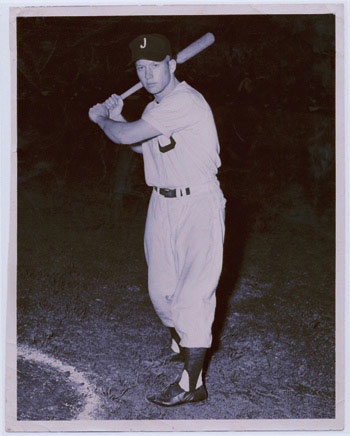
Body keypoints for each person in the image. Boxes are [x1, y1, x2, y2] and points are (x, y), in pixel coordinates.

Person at [88, 33, 226, 407]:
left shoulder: (185, 103)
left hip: (197, 203)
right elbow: (142, 143)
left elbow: (124, 137)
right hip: (162, 203)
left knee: (191, 297)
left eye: (155, 65)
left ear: (172, 64)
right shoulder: (157, 106)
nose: (147, 75)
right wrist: (117, 117)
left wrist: (103, 119)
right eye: (140, 68)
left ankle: (191, 384)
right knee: (161, 291)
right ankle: (185, 343)